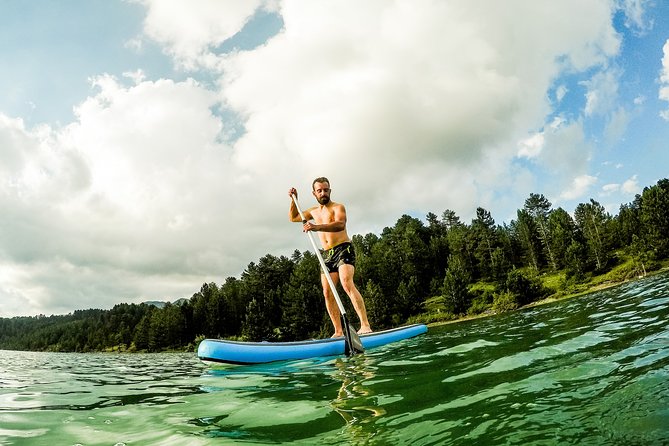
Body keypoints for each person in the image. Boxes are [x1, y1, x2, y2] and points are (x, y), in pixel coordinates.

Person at [289, 177, 372, 337]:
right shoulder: (313, 211)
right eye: (319, 190)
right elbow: (293, 217)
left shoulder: (338, 207)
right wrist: (294, 200)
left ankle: (365, 325)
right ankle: (339, 331)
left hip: (343, 249)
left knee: (347, 283)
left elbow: (340, 224)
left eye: (325, 190)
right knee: (327, 292)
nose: (323, 193)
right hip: (326, 254)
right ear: (314, 193)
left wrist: (316, 227)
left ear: (330, 191)